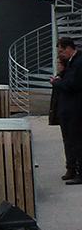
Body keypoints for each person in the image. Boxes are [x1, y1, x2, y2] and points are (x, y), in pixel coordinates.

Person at [50, 37, 82, 183]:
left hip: (75, 110)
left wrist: (56, 82)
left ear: (69, 48)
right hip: (68, 110)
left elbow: (71, 85)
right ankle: (71, 168)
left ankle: (78, 172)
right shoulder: (71, 64)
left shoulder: (78, 63)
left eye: (62, 51)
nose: (60, 54)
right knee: (69, 141)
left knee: (76, 141)